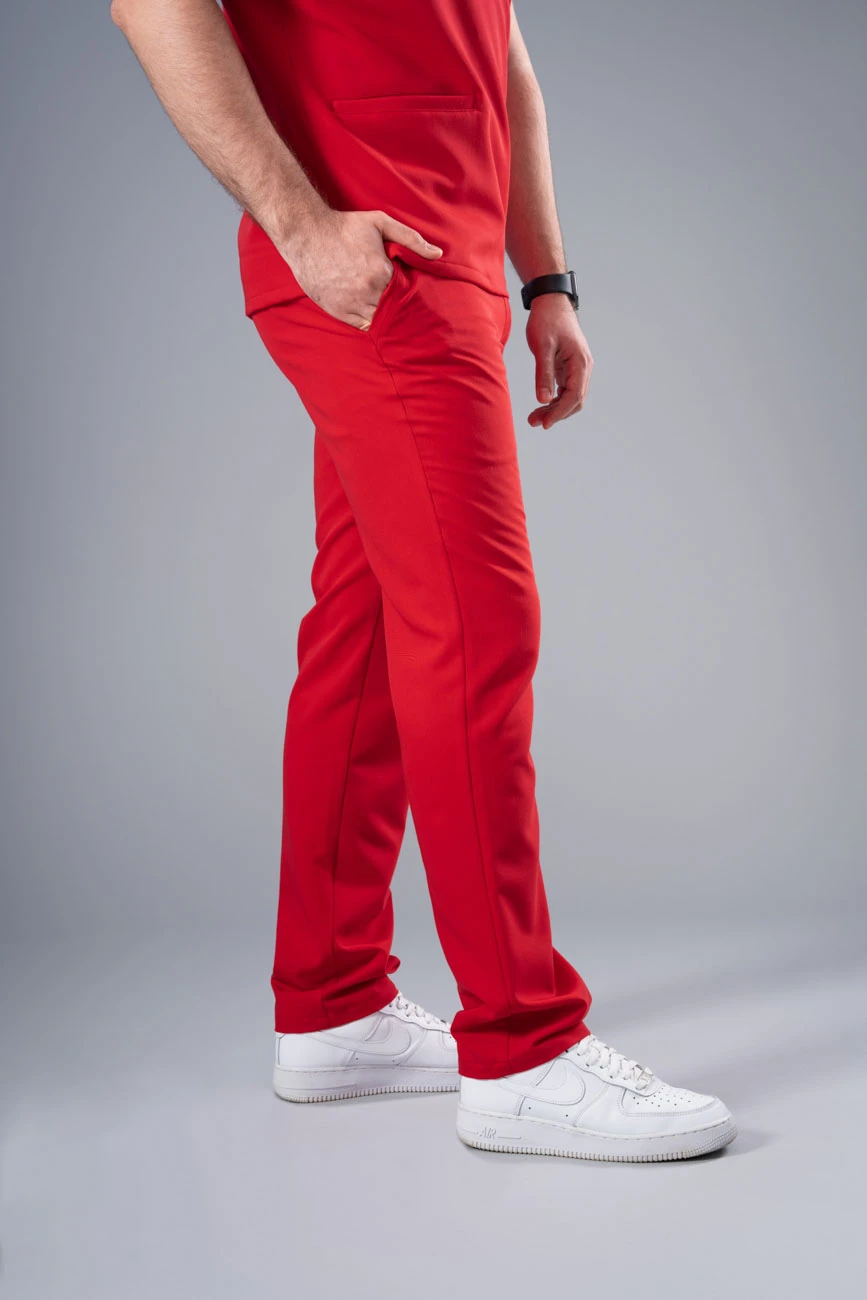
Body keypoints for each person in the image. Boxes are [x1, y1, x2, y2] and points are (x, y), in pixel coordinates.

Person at [112, 0, 736, 1162]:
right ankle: (523, 1049)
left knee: (367, 627)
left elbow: (503, 58)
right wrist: (301, 225)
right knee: (475, 624)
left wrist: (546, 280)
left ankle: (332, 1004)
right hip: (372, 259)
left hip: (450, 267)